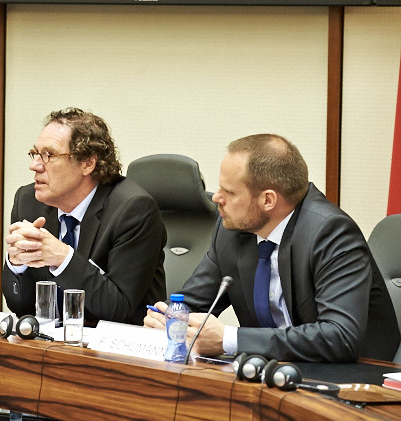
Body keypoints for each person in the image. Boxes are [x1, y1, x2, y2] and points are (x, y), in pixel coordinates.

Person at [145, 134, 401, 362]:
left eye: (230, 192)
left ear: (268, 199)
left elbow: (340, 336)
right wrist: (166, 317)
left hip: (353, 380)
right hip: (270, 372)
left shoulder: (330, 233)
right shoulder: (231, 230)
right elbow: (191, 302)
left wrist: (229, 339)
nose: (216, 197)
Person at [2, 107, 166, 325]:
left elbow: (120, 309)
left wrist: (62, 258)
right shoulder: (28, 201)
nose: (35, 166)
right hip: (50, 346)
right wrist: (17, 263)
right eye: (35, 154)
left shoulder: (133, 210)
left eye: (48, 155)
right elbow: (20, 307)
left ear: (88, 163)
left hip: (111, 352)